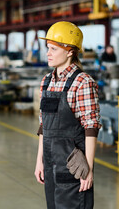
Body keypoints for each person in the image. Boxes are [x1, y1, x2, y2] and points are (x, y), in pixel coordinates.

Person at [34, 21, 101, 209]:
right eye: (48, 48)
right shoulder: (46, 81)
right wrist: (39, 161)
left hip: (74, 168)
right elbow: (43, 126)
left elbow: (91, 127)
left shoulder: (82, 82)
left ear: (70, 51)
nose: (48, 53)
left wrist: (88, 168)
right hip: (50, 164)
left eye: (54, 49)